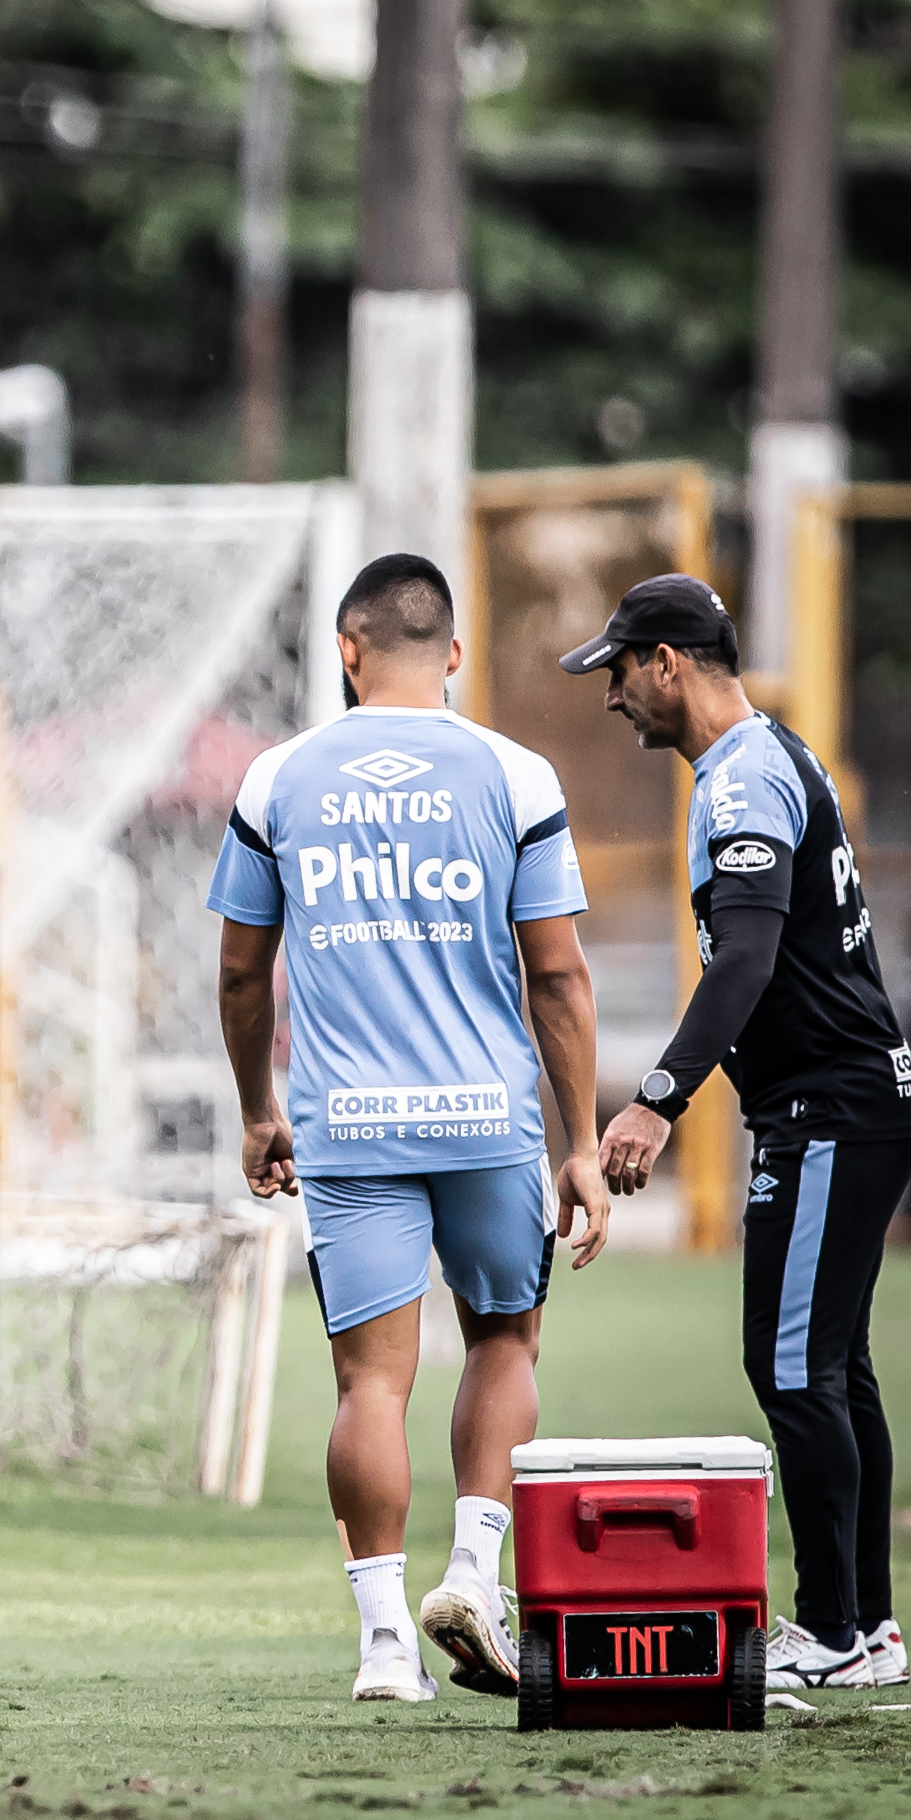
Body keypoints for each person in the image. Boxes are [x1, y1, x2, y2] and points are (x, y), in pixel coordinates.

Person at [210, 553, 609, 1704]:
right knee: (503, 1341)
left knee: (368, 1387)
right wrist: (576, 1140)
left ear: (345, 649)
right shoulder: (515, 774)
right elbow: (560, 976)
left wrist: (257, 1109)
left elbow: (242, 973)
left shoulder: (277, 776)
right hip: (488, 1120)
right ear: (453, 653)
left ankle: (385, 1642)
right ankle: (473, 1575)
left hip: (351, 1128)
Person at [565, 575, 911, 1694]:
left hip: (832, 1106)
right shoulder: (771, 756)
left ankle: (828, 1629)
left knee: (790, 1364)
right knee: (831, 1366)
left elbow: (749, 959)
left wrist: (655, 1097)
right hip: (850, 1100)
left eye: (619, 670)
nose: (613, 696)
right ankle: (862, 1627)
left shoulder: (742, 780)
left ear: (667, 661)